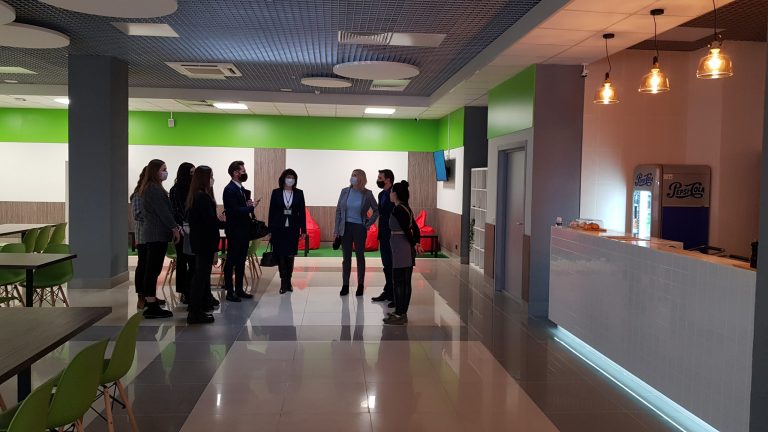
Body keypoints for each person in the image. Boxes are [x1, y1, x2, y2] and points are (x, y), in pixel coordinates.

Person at [139, 159, 181, 319]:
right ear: (155, 171)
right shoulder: (153, 189)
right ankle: (151, 304)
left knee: (154, 268)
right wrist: (174, 228)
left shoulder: (154, 187)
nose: (166, 172)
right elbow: (163, 212)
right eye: (163, 169)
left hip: (157, 233)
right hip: (156, 233)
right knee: (152, 269)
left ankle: (151, 299)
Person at [186, 166, 225, 324]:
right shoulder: (202, 197)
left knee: (200, 276)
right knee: (200, 277)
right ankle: (195, 312)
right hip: (205, 242)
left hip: (200, 241)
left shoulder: (196, 195)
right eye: (211, 176)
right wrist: (221, 222)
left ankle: (197, 308)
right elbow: (210, 222)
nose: (212, 180)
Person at [333, 169, 379, 297]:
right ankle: (345, 285)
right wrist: (336, 230)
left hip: (360, 228)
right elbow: (338, 211)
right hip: (345, 228)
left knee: (360, 257)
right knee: (346, 258)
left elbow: (376, 210)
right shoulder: (344, 191)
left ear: (361, 178)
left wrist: (368, 224)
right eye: (352, 175)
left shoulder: (368, 194)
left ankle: (360, 284)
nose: (352, 177)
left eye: (355, 175)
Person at [384, 180, 423, 325]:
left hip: (401, 248)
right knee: (405, 281)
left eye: (391, 192)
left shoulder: (398, 209)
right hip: (405, 248)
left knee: (399, 281)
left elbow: (407, 230)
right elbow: (415, 228)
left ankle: (400, 314)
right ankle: (401, 313)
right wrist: (416, 243)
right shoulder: (406, 208)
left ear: (395, 194)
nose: (390, 194)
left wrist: (414, 243)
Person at [268, 169, 307, 294]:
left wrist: (303, 230)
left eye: (293, 177)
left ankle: (289, 281)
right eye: (289, 177)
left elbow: (302, 213)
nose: (291, 179)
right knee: (280, 255)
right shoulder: (276, 192)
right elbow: (272, 212)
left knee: (290, 255)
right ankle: (283, 282)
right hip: (278, 227)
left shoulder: (299, 193)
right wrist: (270, 230)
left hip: (293, 228)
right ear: (283, 178)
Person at [222, 160, 256, 302]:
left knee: (241, 261)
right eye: (243, 171)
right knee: (231, 261)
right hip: (235, 231)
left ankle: (239, 289)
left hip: (243, 230)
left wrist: (248, 205)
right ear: (236, 173)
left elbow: (240, 207)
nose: (244, 173)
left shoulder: (241, 189)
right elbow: (233, 211)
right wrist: (250, 208)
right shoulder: (229, 189)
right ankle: (230, 291)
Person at [169, 162, 195, 304]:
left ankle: (192, 289)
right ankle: (184, 291)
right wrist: (181, 226)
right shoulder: (175, 190)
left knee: (193, 262)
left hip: (193, 230)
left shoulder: (194, 189)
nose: (193, 175)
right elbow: (175, 211)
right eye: (191, 173)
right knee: (182, 261)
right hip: (181, 231)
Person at [372, 169, 395, 305]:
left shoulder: (395, 193)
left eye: (380, 178)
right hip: (383, 234)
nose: (378, 180)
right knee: (386, 264)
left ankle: (394, 294)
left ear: (388, 180)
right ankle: (388, 291)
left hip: (393, 234)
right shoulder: (381, 194)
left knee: (393, 264)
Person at [131, 166, 149, 309]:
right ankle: (141, 296)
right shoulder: (138, 194)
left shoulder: (153, 192)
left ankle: (150, 294)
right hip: (143, 236)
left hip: (154, 235)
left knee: (151, 267)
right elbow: (137, 214)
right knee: (143, 265)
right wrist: (155, 216)